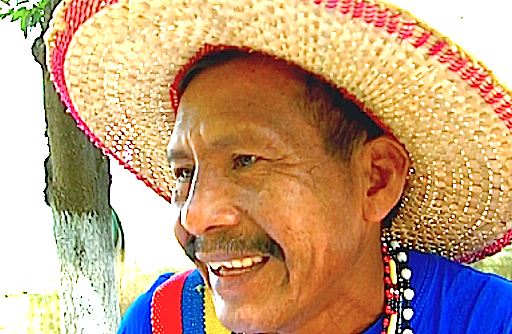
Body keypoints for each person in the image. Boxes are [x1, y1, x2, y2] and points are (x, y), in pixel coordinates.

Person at [45, 0, 512, 333]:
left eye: (246, 161)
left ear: (376, 180)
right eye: (185, 173)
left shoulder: (485, 320)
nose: (194, 215)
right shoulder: (161, 322)